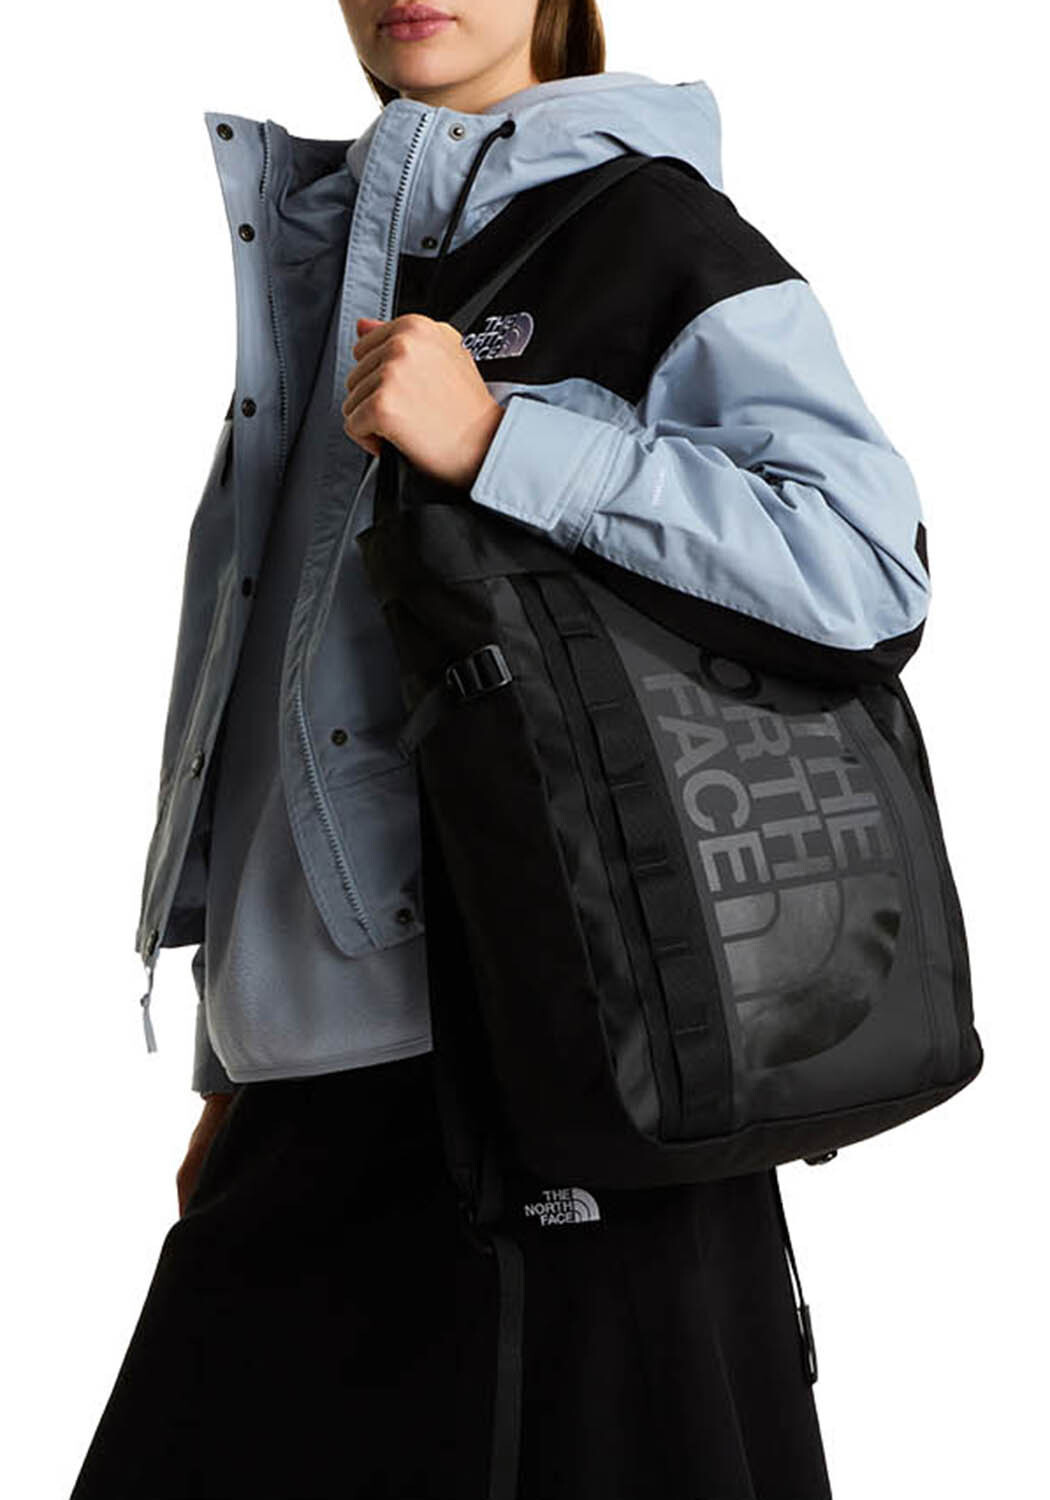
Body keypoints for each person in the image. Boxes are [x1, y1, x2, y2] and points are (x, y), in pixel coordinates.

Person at [71, 1, 932, 1495]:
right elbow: (275, 676)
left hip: (564, 1080)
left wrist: (499, 443)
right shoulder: (327, 252)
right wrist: (237, 1058)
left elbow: (865, 565)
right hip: (314, 1095)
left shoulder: (644, 229)